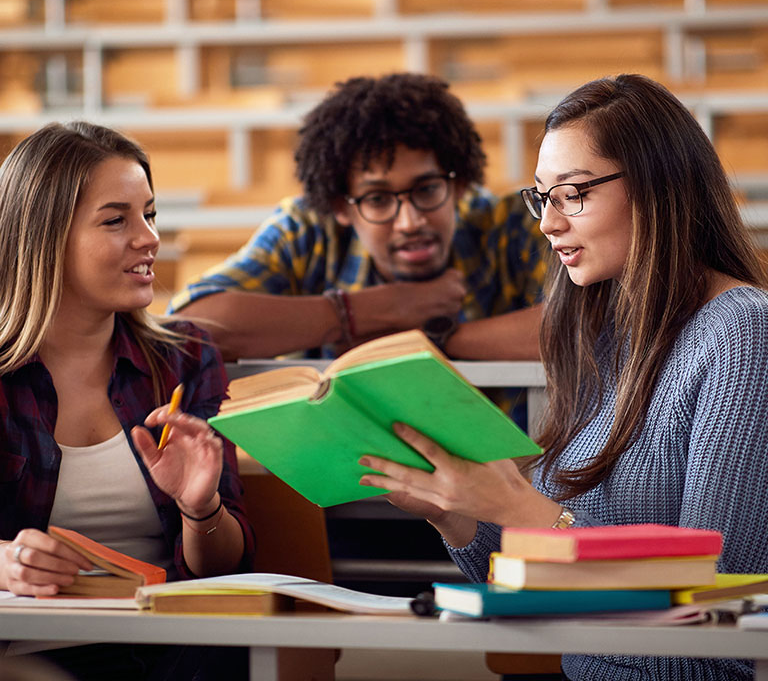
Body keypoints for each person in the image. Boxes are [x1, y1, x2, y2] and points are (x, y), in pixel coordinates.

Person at [357, 74, 768, 681]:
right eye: (542, 197)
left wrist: (523, 507)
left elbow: (720, 599)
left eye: (572, 194)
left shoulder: (741, 332)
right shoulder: (604, 335)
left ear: (658, 188)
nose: (548, 224)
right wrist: (455, 511)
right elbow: (537, 581)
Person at [0, 122, 256, 681]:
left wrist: (201, 506)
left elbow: (225, 567)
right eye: (116, 220)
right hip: (27, 655)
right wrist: (3, 563)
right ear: (42, 240)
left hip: (173, 651)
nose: (148, 238)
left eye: (150, 214)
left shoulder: (186, 357)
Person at [167, 72, 546, 367]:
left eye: (427, 189)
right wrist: (367, 310)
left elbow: (592, 326)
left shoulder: (510, 223)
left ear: (461, 183)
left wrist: (434, 336)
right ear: (340, 206)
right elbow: (186, 331)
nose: (410, 222)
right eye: (378, 199)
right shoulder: (306, 233)